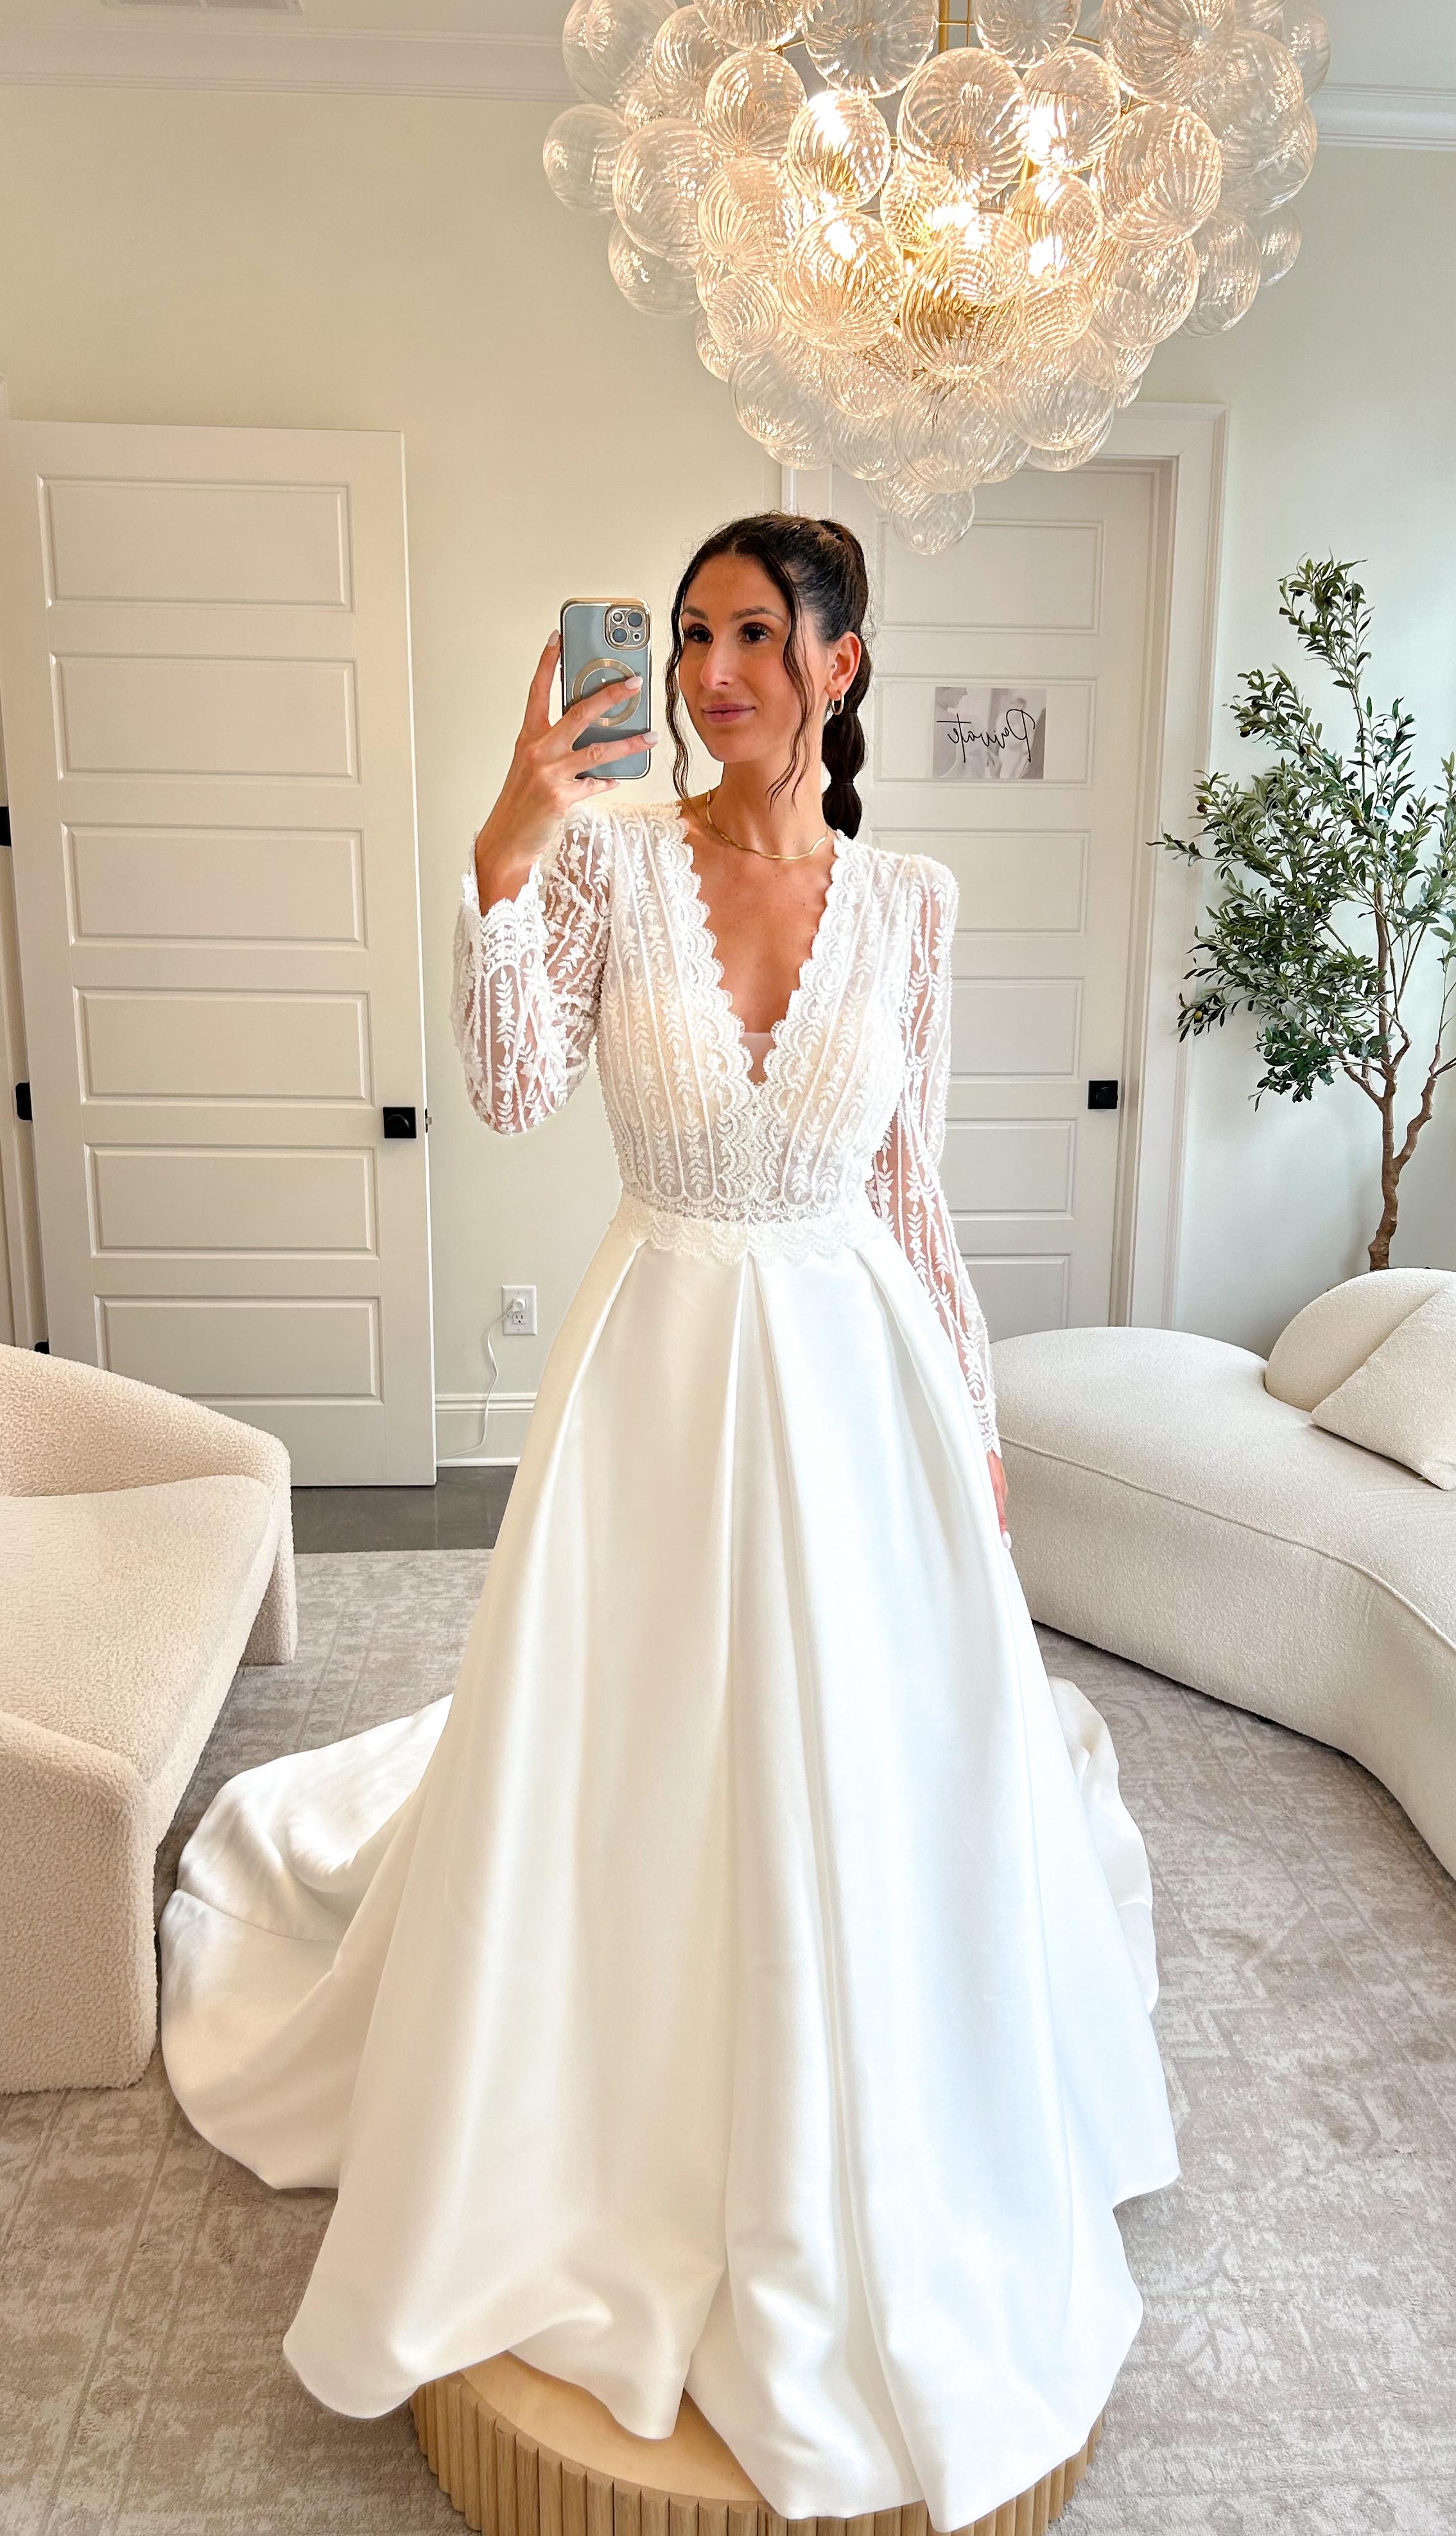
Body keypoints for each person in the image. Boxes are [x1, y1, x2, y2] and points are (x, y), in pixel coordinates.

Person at [158, 510, 1179, 2533]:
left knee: (860, 1763)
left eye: (753, 636)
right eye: (692, 632)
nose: (712, 672)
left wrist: (972, 1426)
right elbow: (512, 1086)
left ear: (838, 664)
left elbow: (908, 1187)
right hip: (654, 1373)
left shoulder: (914, 902)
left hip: (853, 1379)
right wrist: (506, 850)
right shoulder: (613, 861)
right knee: (623, 1761)